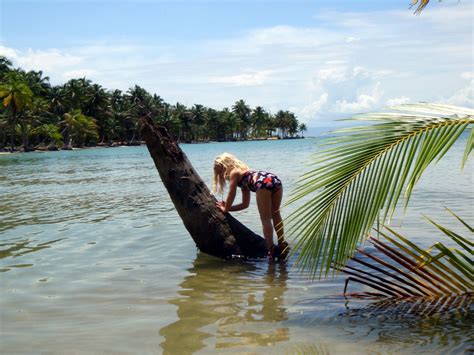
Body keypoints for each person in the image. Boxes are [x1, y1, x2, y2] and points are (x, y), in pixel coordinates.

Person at [212, 152, 289, 260]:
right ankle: (282, 243)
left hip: (262, 184)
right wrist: (229, 209)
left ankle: (271, 249)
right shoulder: (244, 176)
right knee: (276, 214)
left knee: (265, 219)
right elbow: (245, 204)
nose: (224, 176)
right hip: (274, 179)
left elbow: (231, 193)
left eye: (222, 172)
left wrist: (226, 208)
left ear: (226, 166)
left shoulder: (234, 172)